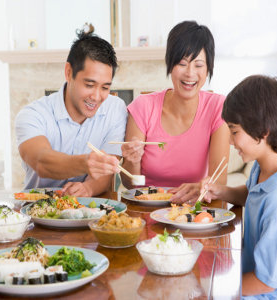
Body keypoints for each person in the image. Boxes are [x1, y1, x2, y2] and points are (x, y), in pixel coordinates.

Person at [202, 75, 277, 298]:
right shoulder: (265, 165)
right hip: (248, 277)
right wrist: (220, 191)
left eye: (234, 132)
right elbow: (251, 194)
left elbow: (266, 282)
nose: (231, 142)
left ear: (263, 131)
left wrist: (216, 292)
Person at [120, 20, 229, 203]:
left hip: (193, 212)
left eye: (198, 65)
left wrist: (203, 190)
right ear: (170, 64)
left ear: (209, 67)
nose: (190, 73)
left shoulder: (218, 107)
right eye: (182, 63)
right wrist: (132, 161)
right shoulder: (143, 106)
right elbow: (130, 184)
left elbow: (219, 183)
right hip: (147, 207)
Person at [15, 30, 127, 196]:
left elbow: (107, 171)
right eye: (89, 85)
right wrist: (86, 162)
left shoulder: (115, 109)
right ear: (68, 72)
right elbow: (41, 162)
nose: (96, 97)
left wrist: (88, 188)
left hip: (88, 210)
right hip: (36, 208)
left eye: (105, 87)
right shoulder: (33, 114)